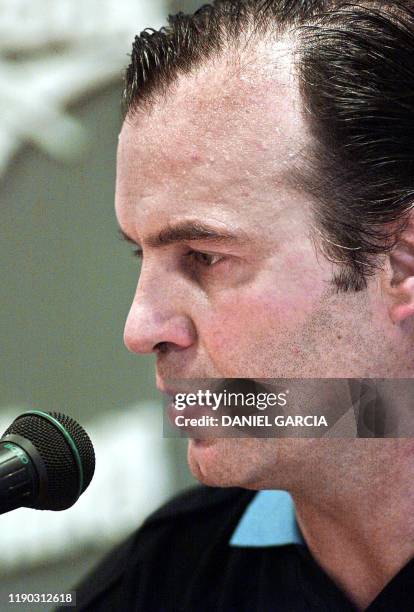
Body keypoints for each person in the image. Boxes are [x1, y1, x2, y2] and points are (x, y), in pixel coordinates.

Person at [64, 1, 414, 610]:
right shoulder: (158, 584)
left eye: (203, 256)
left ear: (401, 264)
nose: (141, 328)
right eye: (139, 257)